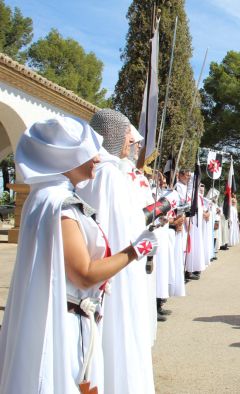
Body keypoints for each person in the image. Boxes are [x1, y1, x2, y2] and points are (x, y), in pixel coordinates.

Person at [0, 117, 157, 393]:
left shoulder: (43, 198)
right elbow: (84, 275)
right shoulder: (61, 207)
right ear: (67, 158)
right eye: (89, 153)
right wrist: (137, 249)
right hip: (67, 324)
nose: (97, 159)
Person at [76, 109, 156, 394]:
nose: (130, 141)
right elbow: (127, 234)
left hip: (99, 271)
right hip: (116, 273)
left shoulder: (91, 171)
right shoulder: (109, 175)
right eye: (126, 134)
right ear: (110, 135)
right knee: (118, 336)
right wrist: (147, 241)